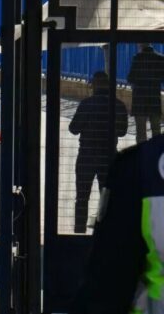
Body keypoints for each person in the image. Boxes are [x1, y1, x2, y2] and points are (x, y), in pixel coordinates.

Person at [70, 135, 164, 314]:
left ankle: (79, 226)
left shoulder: (142, 165)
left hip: (87, 158)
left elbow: (107, 284)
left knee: (81, 198)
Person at [68, 71, 128, 234]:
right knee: (107, 197)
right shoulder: (119, 105)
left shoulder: (86, 104)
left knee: (82, 197)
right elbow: (122, 131)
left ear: (93, 85)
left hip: (86, 155)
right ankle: (106, 234)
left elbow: (73, 129)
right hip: (108, 156)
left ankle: (79, 232)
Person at [128, 44, 164, 143]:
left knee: (141, 132)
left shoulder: (137, 58)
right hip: (154, 99)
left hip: (140, 100)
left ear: (140, 45)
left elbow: (130, 78)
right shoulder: (160, 58)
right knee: (156, 130)